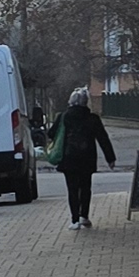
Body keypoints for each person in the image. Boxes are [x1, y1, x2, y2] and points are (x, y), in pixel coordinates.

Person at [51, 88, 117, 231]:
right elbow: (103, 139)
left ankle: (74, 220)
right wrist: (110, 158)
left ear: (71, 101)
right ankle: (84, 216)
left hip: (68, 158)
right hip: (87, 158)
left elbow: (51, 133)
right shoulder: (93, 118)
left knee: (72, 189)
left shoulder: (63, 117)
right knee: (86, 187)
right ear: (86, 102)